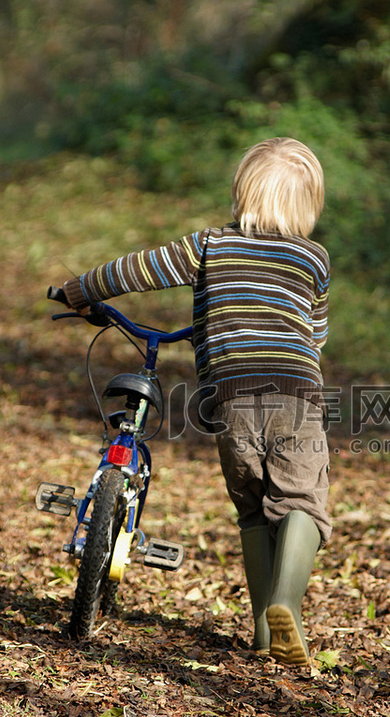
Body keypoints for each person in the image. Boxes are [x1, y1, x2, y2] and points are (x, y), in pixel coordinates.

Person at [60, 137, 331, 667]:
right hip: (295, 392)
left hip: (228, 397)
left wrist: (82, 289)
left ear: (241, 194)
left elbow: (140, 268)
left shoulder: (209, 244)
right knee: (303, 504)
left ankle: (261, 633)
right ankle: (285, 605)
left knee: (253, 510)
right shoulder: (313, 259)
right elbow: (316, 334)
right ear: (308, 206)